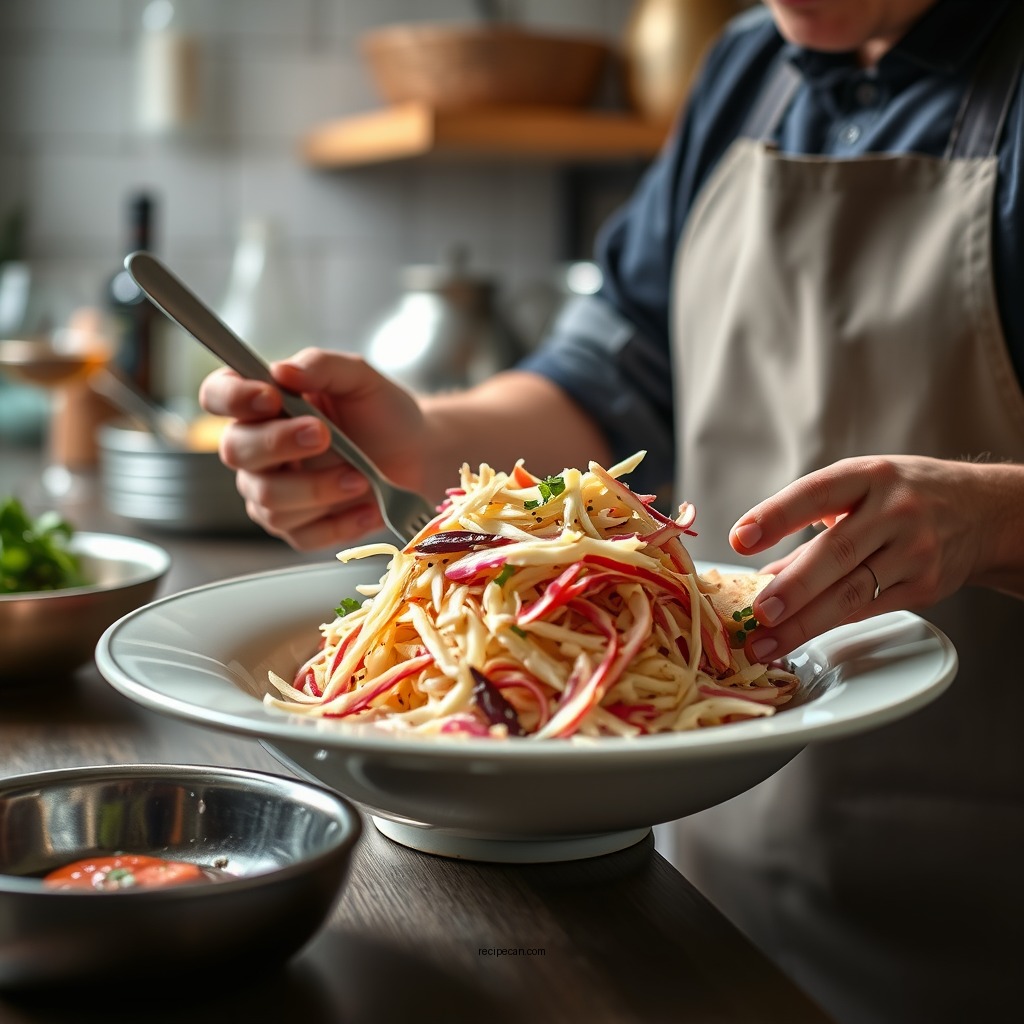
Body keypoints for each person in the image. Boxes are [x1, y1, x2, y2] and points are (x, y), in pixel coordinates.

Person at [199, 1, 1024, 1021]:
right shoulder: (744, 65)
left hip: (975, 914)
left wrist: (992, 514)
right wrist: (418, 441)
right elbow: (610, 377)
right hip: (691, 880)